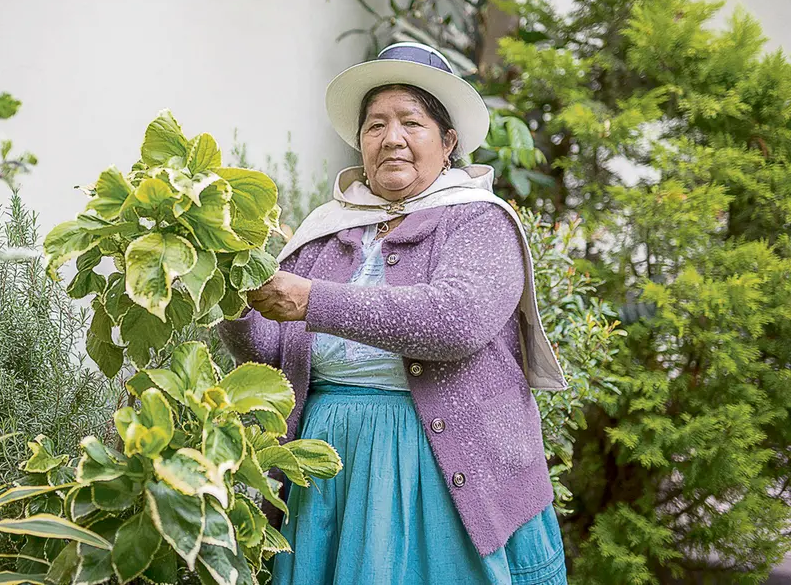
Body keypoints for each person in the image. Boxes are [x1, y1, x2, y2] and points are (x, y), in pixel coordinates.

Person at [216, 41, 570, 585]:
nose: (393, 138)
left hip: (433, 466)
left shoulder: (479, 222)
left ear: (447, 141)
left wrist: (313, 299)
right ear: (361, 142)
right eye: (376, 125)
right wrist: (230, 293)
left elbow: (456, 320)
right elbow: (274, 352)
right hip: (329, 462)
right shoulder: (327, 229)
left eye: (412, 121)